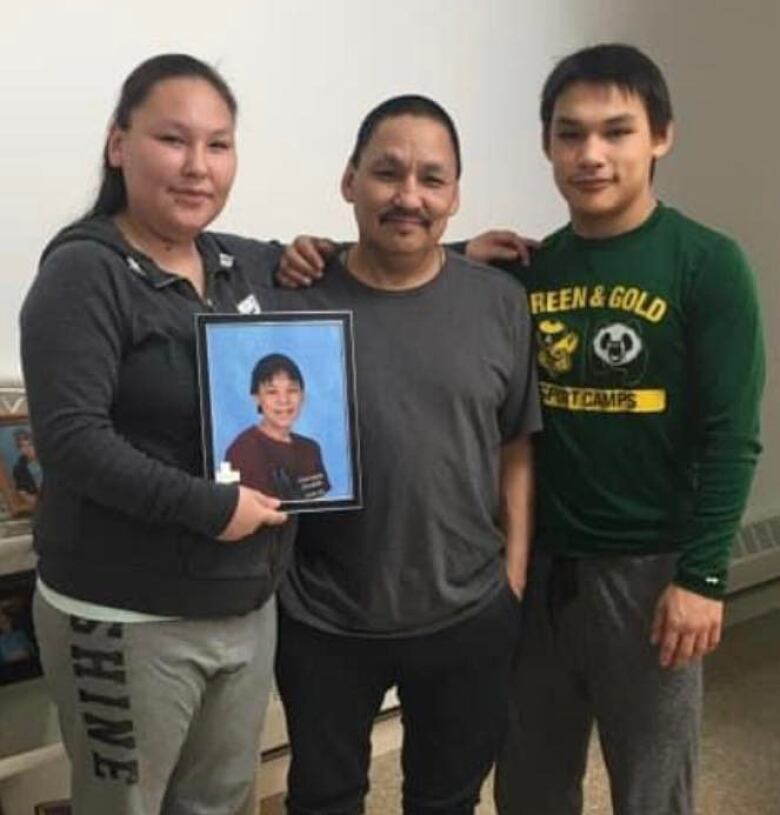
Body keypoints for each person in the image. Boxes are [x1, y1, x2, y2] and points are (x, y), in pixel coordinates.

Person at [279, 44, 764, 815]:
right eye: (570, 134)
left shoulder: (707, 264)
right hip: (534, 573)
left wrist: (702, 575)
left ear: (661, 136)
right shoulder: (529, 271)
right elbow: (421, 273)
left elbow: (733, 434)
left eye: (617, 131)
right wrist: (332, 250)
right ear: (546, 145)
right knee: (530, 783)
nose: (592, 154)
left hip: (648, 571)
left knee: (652, 789)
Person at [20, 53, 293, 815]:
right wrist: (211, 507)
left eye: (219, 144)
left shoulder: (241, 265)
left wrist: (469, 255)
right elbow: (73, 443)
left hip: (244, 606)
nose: (198, 166)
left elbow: (359, 267)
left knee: (218, 802)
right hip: (126, 615)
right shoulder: (84, 273)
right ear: (118, 144)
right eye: (174, 140)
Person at [271, 94, 542, 815]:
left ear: (455, 193)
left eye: (432, 178)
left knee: (446, 800)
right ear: (349, 181)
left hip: (467, 610)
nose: (409, 196)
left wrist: (512, 574)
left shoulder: (498, 303)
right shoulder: (294, 299)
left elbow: (516, 443)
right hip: (323, 616)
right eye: (388, 173)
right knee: (324, 798)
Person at [225, 353, 330, 500]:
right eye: (272, 392)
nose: (283, 400)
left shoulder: (311, 449)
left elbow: (319, 509)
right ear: (256, 398)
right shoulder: (242, 450)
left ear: (303, 396)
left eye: (292, 390)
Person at [11, 429, 41, 509]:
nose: (27, 449)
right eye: (23, 446)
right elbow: (21, 490)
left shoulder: (49, 460)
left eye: (30, 445)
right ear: (19, 450)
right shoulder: (19, 468)